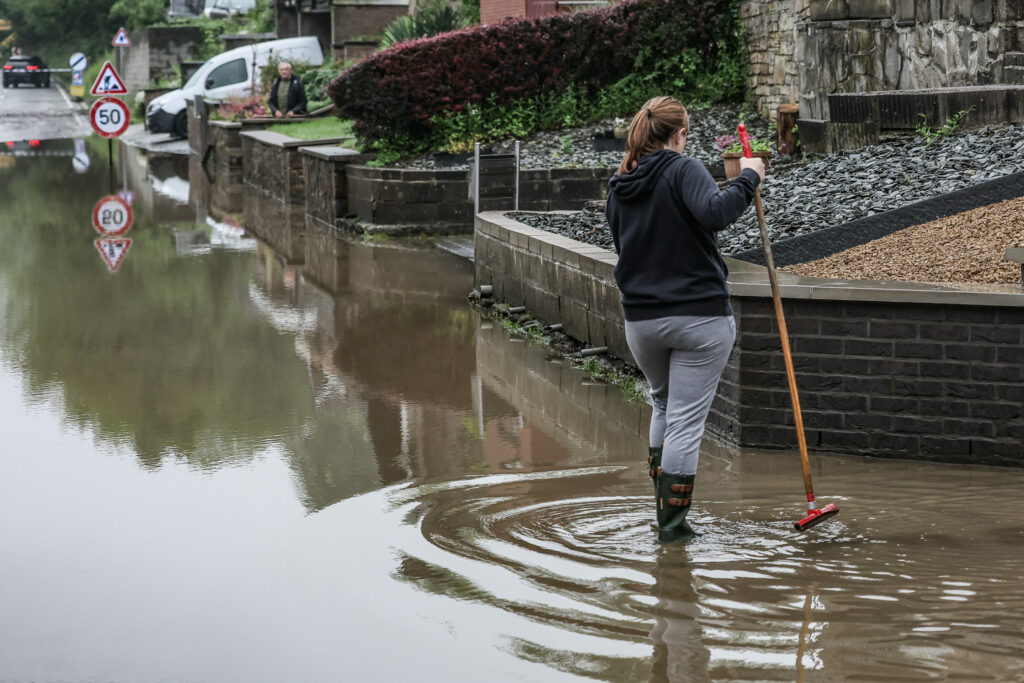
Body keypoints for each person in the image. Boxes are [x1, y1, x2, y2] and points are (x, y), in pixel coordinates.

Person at [605, 96, 765, 542]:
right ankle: (672, 530)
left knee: (662, 404)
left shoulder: (620, 185)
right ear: (678, 135)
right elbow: (715, 214)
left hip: (641, 322)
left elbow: (623, 244)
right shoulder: (683, 168)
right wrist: (750, 177)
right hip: (698, 319)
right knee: (686, 422)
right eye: (687, 133)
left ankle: (662, 504)